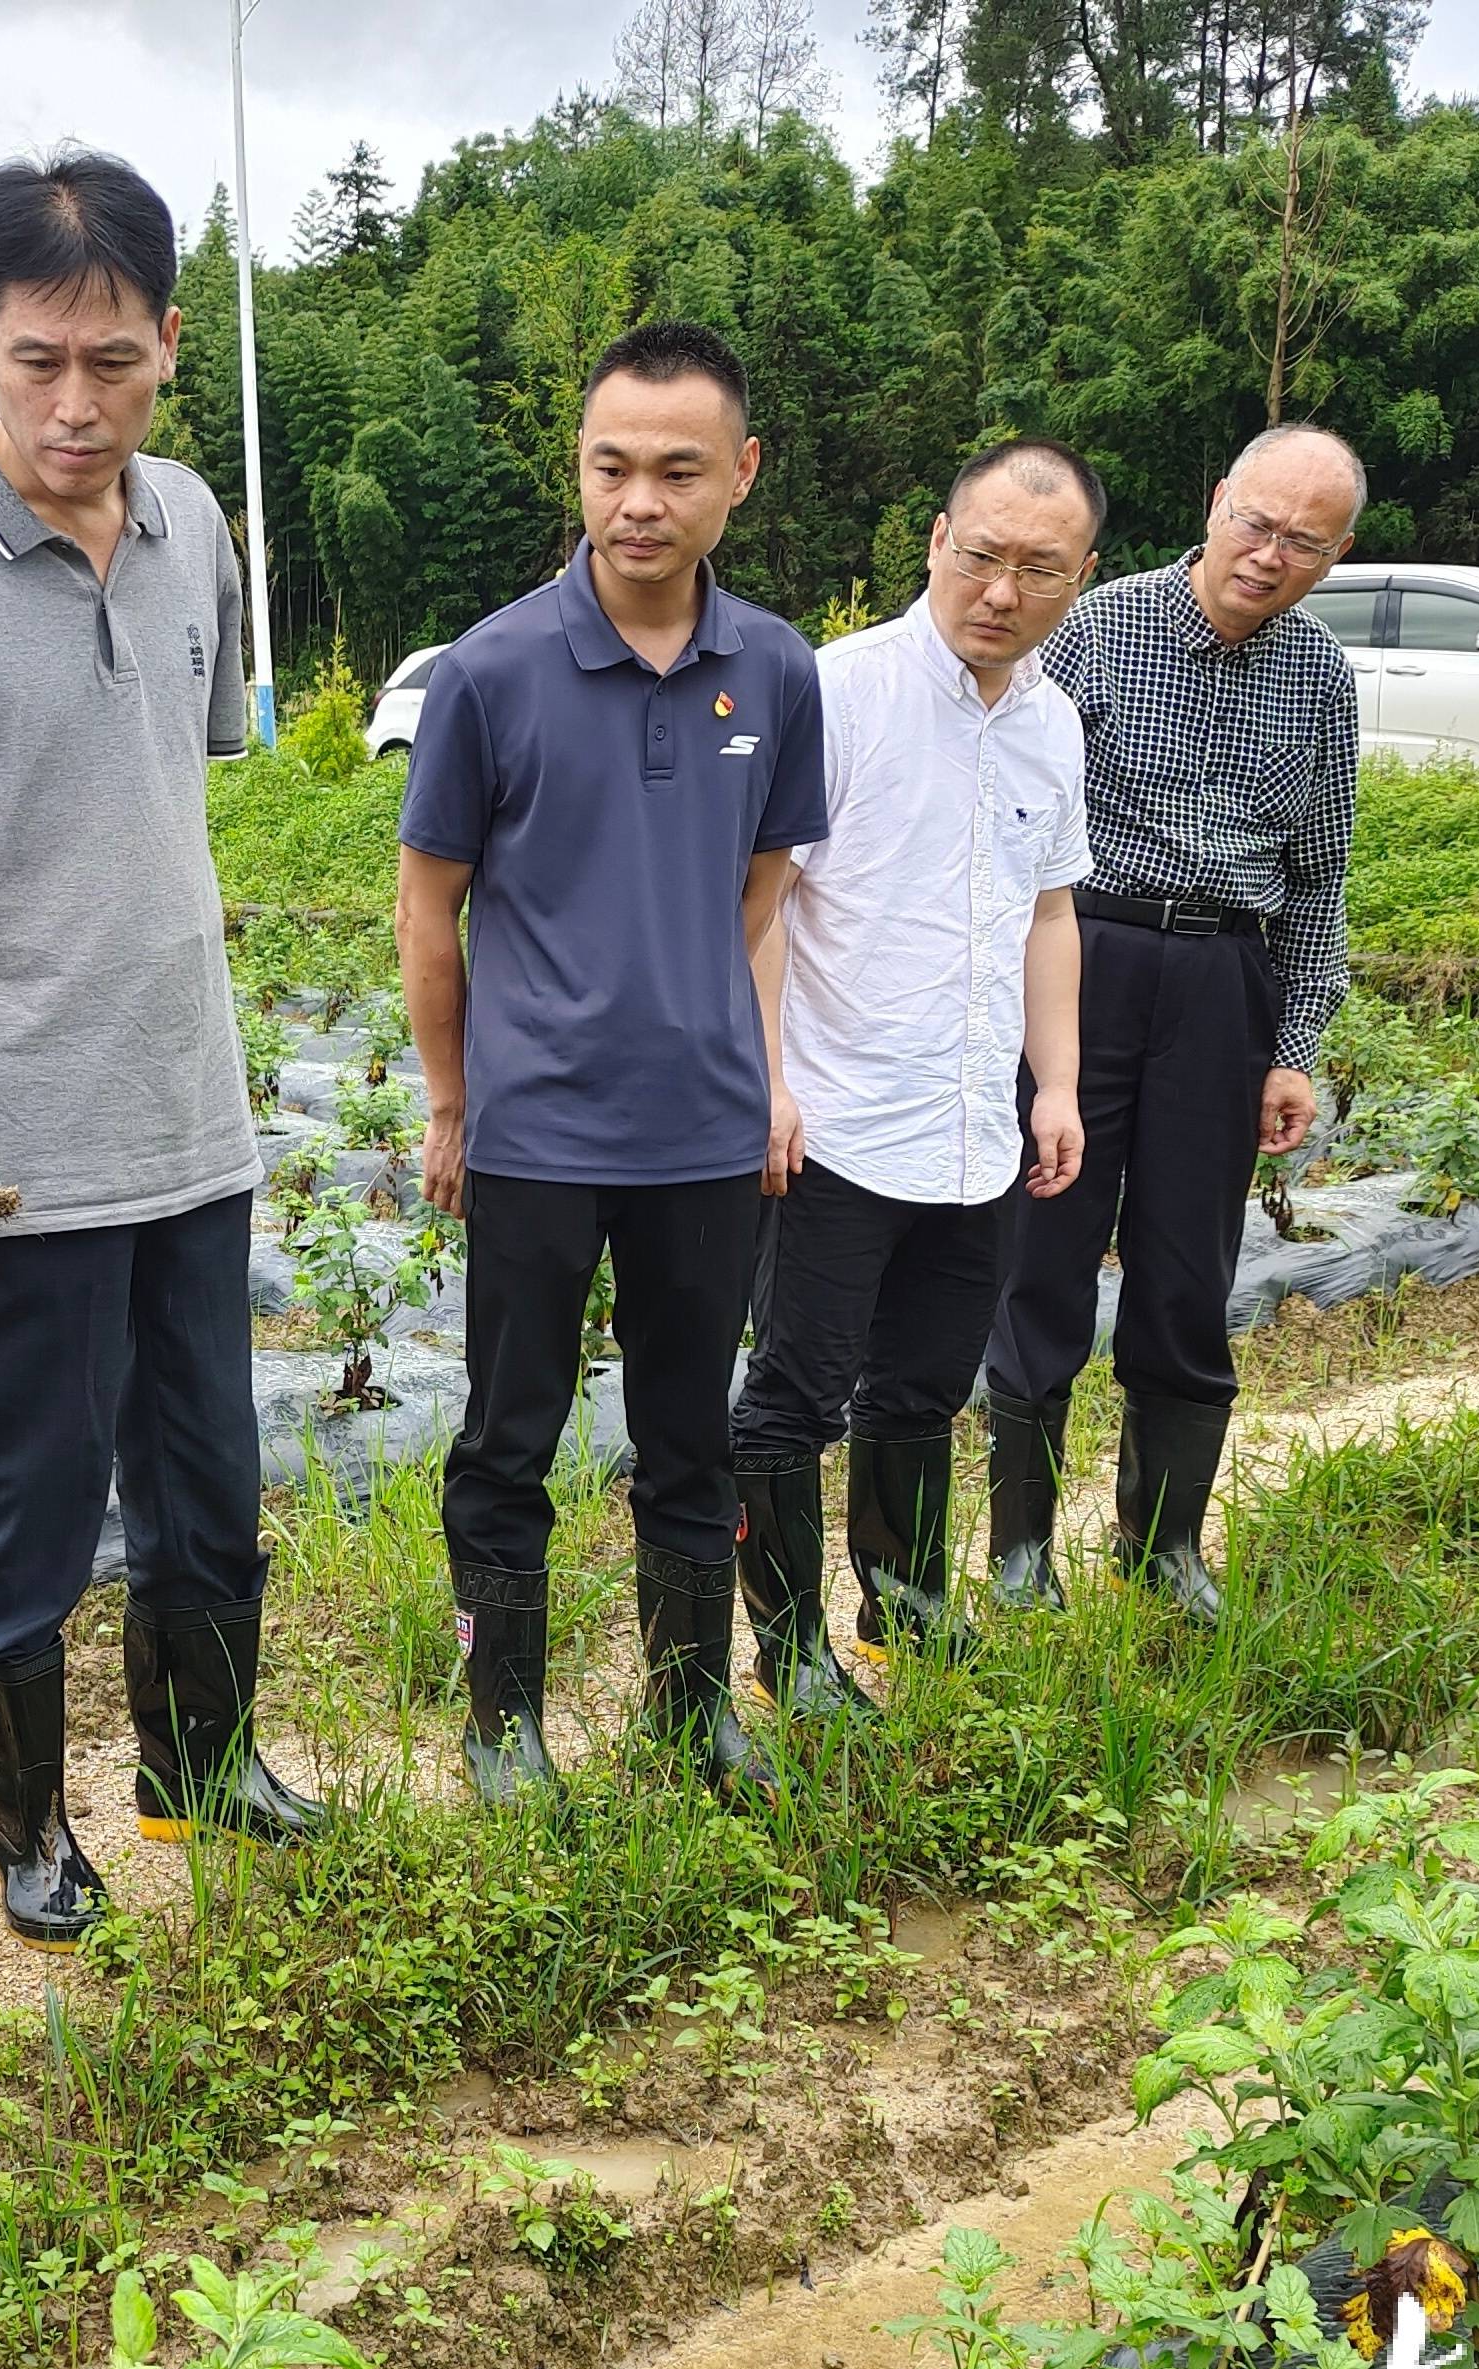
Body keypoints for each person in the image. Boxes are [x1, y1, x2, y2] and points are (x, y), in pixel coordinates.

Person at [0, 148, 321, 1951]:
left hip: (189, 1101)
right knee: (28, 1487)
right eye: (36, 362)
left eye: (113, 361)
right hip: (15, 1129)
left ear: (171, 342)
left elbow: (172, 780)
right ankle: (28, 1827)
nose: (76, 406)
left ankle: (200, 1758)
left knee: (208, 1472)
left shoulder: (192, 524)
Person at [395, 319, 828, 1806]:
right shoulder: (493, 669)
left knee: (690, 1433)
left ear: (741, 477)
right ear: (578, 470)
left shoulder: (773, 668)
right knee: (507, 1435)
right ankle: (500, 1718)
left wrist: (761, 1072)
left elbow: (765, 888)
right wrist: (454, 1102)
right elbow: (426, 905)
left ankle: (691, 1708)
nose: (638, 502)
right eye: (609, 467)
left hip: (705, 1137)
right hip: (535, 1137)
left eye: (677, 471)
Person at [727, 442, 1100, 1713]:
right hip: (836, 1118)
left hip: (972, 1131)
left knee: (929, 1384)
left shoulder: (1053, 725)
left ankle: (903, 1600)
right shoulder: (838, 694)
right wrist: (766, 1081)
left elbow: (1049, 911)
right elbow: (762, 905)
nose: (1001, 588)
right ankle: (788, 1650)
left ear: (1080, 577)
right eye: (982, 554)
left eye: (1037, 568)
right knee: (793, 1393)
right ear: (936, 540)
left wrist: (1054, 1084)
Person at [981, 423, 1363, 1623]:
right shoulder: (1099, 629)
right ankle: (1021, 1549)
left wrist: (1294, 1045)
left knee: (1189, 1272)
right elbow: (1012, 816)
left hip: (1223, 984)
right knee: (1042, 1248)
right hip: (1085, 956)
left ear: (1335, 554)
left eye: (1303, 539)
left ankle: (1164, 1545)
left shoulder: (1320, 681)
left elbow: (1320, 881)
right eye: (1256, 521)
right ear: (1216, 502)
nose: (1269, 553)